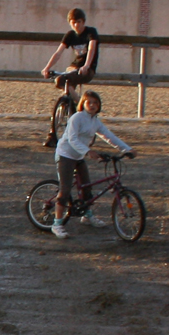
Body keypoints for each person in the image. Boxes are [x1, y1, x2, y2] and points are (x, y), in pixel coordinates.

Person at [50, 90, 136, 239]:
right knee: (65, 190)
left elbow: (109, 137)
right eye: (89, 102)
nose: (93, 105)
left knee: (87, 187)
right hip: (66, 154)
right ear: (83, 104)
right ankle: (57, 224)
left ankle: (87, 215)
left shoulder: (95, 121)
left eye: (95, 103)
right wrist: (88, 151)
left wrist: (127, 149)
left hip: (79, 155)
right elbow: (72, 139)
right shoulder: (77, 118)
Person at [41, 7, 100, 91]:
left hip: (88, 69)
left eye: (79, 22)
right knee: (63, 83)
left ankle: (79, 102)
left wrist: (86, 66)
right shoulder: (70, 35)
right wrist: (47, 68)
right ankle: (70, 102)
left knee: (61, 81)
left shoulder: (91, 32)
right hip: (74, 67)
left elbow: (91, 49)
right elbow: (58, 53)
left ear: (83, 21)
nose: (76, 25)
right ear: (70, 23)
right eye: (74, 22)